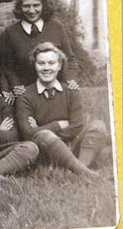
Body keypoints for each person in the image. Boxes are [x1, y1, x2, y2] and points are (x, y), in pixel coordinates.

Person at [15, 42, 105, 176]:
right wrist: (58, 124)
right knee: (45, 135)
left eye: (51, 63)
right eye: (41, 63)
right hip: (45, 151)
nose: (46, 68)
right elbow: (28, 133)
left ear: (59, 65)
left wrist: (42, 128)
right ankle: (82, 172)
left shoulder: (71, 91)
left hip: (71, 147)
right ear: (35, 65)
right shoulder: (25, 96)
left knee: (98, 126)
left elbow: (77, 125)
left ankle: (78, 169)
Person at [0, 0, 80, 94]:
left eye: (36, 5)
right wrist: (16, 85)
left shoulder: (56, 27)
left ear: (44, 5)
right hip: (26, 93)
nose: (32, 11)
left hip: (55, 91)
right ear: (20, 7)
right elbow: (8, 67)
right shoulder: (11, 32)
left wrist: (70, 80)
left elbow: (70, 60)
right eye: (26, 6)